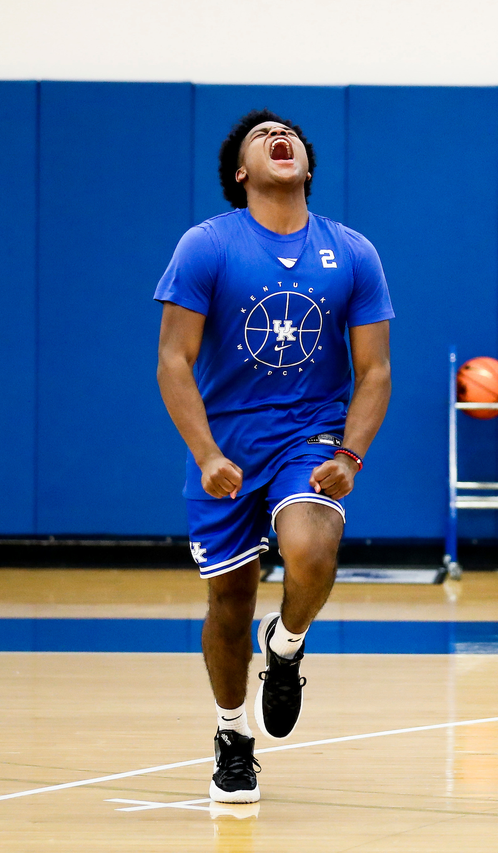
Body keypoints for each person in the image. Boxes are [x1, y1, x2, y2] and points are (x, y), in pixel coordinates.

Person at [155, 109, 394, 803]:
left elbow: (375, 370)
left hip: (309, 436)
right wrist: (203, 452)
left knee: (313, 550)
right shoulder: (206, 246)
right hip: (228, 444)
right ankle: (233, 735)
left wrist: (350, 451)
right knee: (229, 599)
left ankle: (285, 647)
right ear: (241, 172)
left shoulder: (352, 252)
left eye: (286, 133)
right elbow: (174, 359)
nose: (276, 136)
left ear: (306, 165)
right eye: (261, 136)